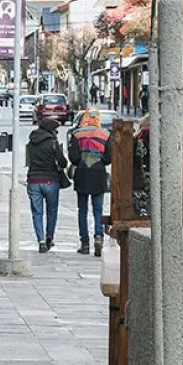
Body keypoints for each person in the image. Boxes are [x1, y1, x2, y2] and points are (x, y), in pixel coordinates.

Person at [68, 108, 112, 256]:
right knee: (98, 209)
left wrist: (82, 159)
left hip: (82, 173)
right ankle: (99, 236)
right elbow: (108, 158)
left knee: (82, 210)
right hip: (98, 173)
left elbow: (73, 157)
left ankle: (85, 243)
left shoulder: (77, 134)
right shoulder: (105, 134)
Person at [26, 119, 68, 253]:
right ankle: (49, 236)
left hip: (33, 180)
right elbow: (63, 163)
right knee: (51, 211)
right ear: (51, 130)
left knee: (37, 213)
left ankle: (41, 241)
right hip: (51, 180)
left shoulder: (31, 143)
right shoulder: (53, 143)